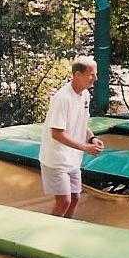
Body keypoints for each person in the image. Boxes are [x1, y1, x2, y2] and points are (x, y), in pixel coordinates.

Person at [38, 57, 104, 218]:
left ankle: (65, 229)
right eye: (91, 75)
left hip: (73, 159)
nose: (95, 78)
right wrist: (86, 148)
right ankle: (48, 234)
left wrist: (92, 138)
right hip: (56, 159)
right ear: (77, 75)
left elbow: (81, 122)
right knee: (64, 201)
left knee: (75, 198)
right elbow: (56, 133)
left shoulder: (85, 95)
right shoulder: (63, 97)